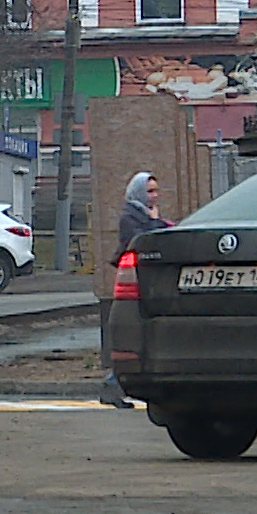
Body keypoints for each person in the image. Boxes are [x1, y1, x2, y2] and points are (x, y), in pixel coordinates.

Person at [99, 171, 172, 408]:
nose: (154, 196)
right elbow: (144, 241)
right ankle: (112, 386)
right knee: (134, 338)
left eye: (156, 190)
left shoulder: (142, 214)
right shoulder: (130, 216)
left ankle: (113, 386)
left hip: (149, 282)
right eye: (150, 191)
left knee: (142, 338)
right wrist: (155, 220)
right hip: (135, 284)